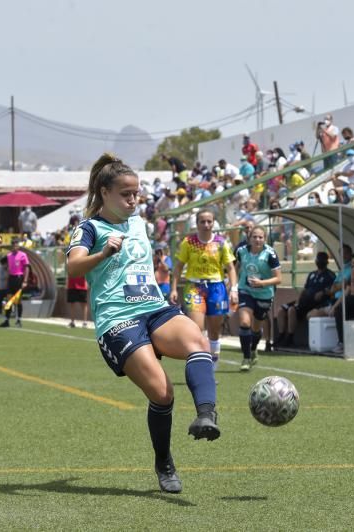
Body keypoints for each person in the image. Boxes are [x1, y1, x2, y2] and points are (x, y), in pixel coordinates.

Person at [67, 153, 220, 494]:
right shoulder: (89, 228)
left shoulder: (138, 222)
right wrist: (103, 254)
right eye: (126, 194)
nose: (134, 200)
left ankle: (207, 414)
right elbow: (74, 268)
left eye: (137, 193)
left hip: (154, 306)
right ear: (104, 192)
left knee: (198, 341)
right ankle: (164, 460)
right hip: (117, 318)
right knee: (162, 392)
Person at [169, 209, 238, 370]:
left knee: (214, 331)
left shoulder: (221, 243)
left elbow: (231, 268)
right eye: (203, 221)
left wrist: (234, 289)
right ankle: (201, 367)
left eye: (209, 221)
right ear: (197, 223)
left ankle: (213, 366)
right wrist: (173, 289)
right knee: (197, 329)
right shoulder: (188, 242)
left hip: (217, 287)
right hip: (194, 287)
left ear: (213, 223)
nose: (206, 225)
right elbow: (178, 267)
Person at [234, 226, 281, 371]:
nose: (257, 240)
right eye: (254, 236)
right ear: (249, 238)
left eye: (260, 237)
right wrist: (233, 287)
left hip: (264, 294)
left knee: (256, 327)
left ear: (265, 239)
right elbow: (235, 269)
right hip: (245, 290)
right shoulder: (241, 251)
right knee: (244, 322)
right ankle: (246, 358)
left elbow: (279, 279)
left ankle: (253, 349)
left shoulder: (270, 254)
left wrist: (262, 283)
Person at [275, 251, 336, 347]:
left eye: (322, 260)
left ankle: (290, 338)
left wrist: (323, 292)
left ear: (326, 262)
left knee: (292, 310)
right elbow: (304, 289)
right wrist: (298, 300)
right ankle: (281, 336)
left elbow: (332, 290)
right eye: (318, 259)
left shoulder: (330, 275)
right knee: (281, 310)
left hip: (315, 303)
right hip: (304, 301)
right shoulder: (312, 274)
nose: (319, 261)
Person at [0, 239, 32, 328]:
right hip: (11, 279)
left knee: (18, 300)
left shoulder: (23, 255)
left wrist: (25, 281)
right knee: (8, 300)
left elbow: (27, 268)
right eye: (13, 245)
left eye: (16, 245)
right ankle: (6, 320)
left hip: (19, 279)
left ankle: (18, 320)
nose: (15, 247)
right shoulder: (9, 256)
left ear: (18, 246)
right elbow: (4, 264)